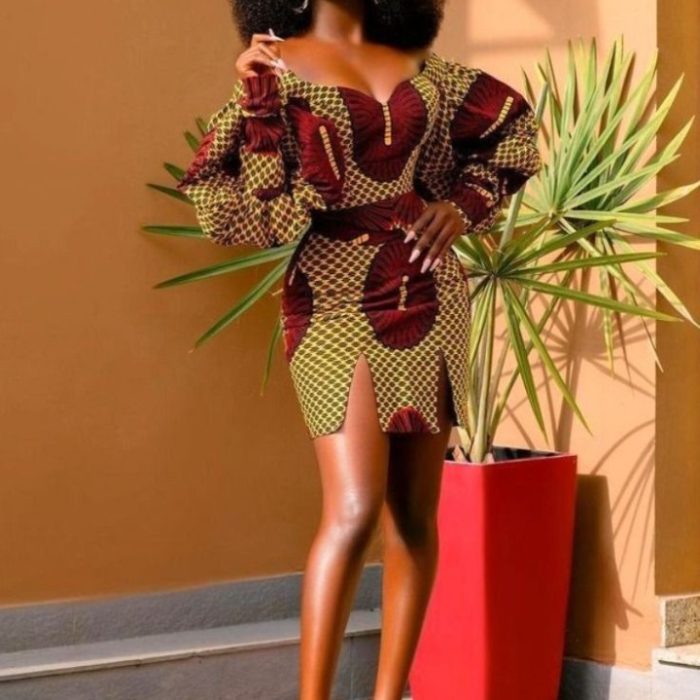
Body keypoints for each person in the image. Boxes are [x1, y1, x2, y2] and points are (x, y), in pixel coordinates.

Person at [177, 1, 541, 698]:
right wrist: (257, 103)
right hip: (331, 298)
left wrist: (461, 206)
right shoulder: (274, 68)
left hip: (431, 291)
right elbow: (243, 212)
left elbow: (512, 133)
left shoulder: (422, 65)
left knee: (415, 515)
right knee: (353, 511)